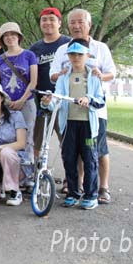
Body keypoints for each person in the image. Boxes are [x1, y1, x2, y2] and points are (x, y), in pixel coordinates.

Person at [49, 9, 116, 204]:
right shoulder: (63, 49)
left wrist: (99, 76)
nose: (76, 26)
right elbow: (53, 75)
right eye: (72, 22)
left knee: (97, 151)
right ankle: (74, 188)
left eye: (80, 22)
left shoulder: (100, 48)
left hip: (94, 113)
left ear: (89, 24)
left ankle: (100, 189)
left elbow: (112, 73)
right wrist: (61, 74)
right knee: (71, 152)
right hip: (69, 114)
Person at [41, 40, 106, 210]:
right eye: (72, 54)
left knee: (89, 159)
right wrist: (47, 102)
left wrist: (89, 99)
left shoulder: (94, 76)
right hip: (69, 124)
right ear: (68, 56)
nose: (76, 57)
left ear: (87, 56)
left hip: (88, 127)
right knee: (69, 158)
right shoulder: (63, 76)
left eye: (79, 54)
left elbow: (100, 101)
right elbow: (57, 99)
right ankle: (73, 193)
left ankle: (91, 195)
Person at [29, 7, 71, 191]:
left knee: (67, 143)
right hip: (42, 103)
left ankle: (71, 180)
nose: (47, 23)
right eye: (44, 20)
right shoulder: (35, 48)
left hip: (64, 102)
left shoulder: (68, 44)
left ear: (60, 23)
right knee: (37, 143)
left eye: (52, 20)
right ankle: (38, 176)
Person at [0, 22, 38, 175]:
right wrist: (4, 101)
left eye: (13, 34)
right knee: (8, 138)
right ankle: (11, 175)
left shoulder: (29, 55)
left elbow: (33, 81)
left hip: (27, 102)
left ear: (19, 36)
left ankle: (28, 174)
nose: (10, 37)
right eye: (6, 35)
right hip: (5, 103)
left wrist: (22, 100)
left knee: (28, 138)